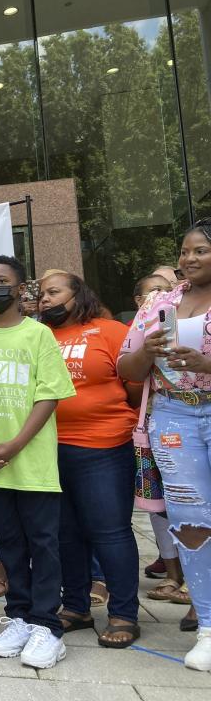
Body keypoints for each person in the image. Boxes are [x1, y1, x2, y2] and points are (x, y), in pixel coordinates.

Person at [0, 255, 75, 669]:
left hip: (31, 461)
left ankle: (47, 625)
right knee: (8, 544)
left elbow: (49, 396)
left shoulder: (38, 335)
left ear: (21, 289)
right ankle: (19, 615)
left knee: (43, 542)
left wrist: (18, 443)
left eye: (2, 281)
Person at [118, 217, 211, 671]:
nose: (188, 259)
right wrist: (147, 352)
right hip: (173, 414)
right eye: (185, 251)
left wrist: (206, 364)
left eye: (200, 251)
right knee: (192, 520)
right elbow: (128, 370)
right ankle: (209, 627)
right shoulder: (160, 302)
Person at [38, 272, 141, 648]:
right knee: (66, 533)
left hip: (104, 447)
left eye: (54, 292)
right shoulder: (39, 336)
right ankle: (77, 607)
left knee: (109, 531)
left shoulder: (110, 331)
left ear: (77, 294)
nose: (45, 299)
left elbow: (133, 387)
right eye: (42, 294)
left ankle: (124, 613)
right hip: (49, 448)